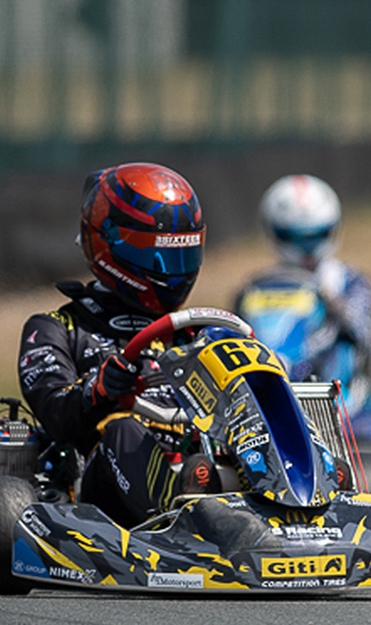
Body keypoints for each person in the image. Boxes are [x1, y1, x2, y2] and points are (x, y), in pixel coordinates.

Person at [17, 162, 219, 527]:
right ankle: (177, 524)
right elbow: (55, 414)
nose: (173, 269)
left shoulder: (199, 333)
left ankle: (305, 505)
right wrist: (98, 389)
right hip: (100, 488)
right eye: (158, 255)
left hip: (197, 465)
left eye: (181, 255)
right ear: (114, 245)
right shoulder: (57, 328)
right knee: (122, 429)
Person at [233, 174, 371, 414]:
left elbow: (361, 332)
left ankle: (323, 407)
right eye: (295, 237)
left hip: (337, 392)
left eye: (317, 235)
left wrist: (330, 302)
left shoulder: (349, 281)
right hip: (274, 381)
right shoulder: (255, 289)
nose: (307, 249)